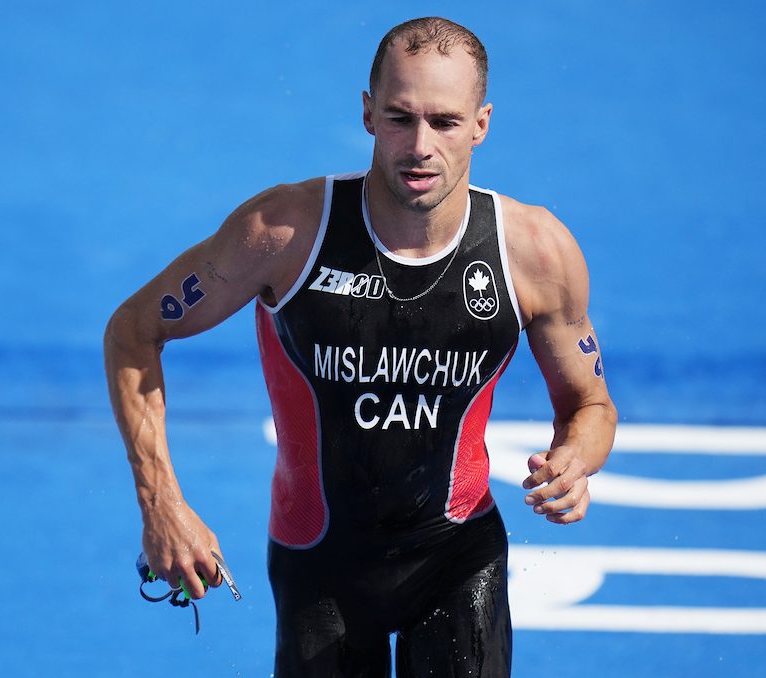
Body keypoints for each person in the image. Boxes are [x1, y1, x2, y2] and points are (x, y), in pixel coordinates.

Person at [104, 16, 617, 677]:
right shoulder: (285, 233)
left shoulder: (536, 253)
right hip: (321, 567)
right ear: (368, 113)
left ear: (482, 124)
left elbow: (590, 405)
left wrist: (576, 459)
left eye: (445, 122)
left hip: (457, 558)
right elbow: (133, 330)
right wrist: (161, 504)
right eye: (400, 118)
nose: (420, 145)